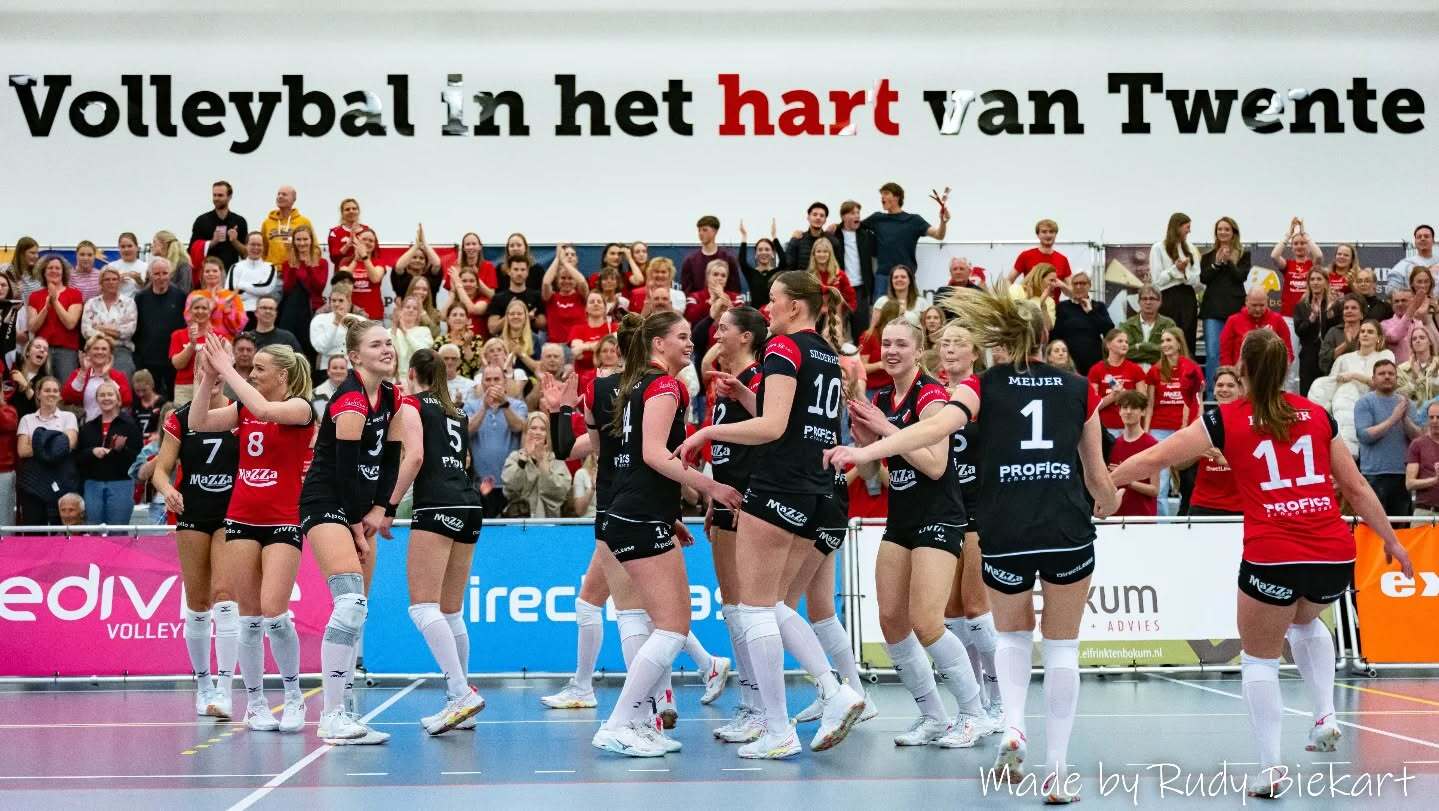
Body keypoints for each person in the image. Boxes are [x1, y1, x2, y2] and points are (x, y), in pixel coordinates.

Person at [823, 285, 1118, 802]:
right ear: (1045, 337)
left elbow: (934, 429)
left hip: (1004, 526)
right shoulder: (1079, 388)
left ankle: (1013, 725)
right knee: (1062, 648)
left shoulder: (983, 385)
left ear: (1002, 337)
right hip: (1065, 525)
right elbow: (1098, 480)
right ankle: (1056, 769)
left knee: (1012, 638)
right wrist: (1111, 498)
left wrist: (866, 450)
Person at [1110, 327, 1412, 797]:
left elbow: (1157, 457)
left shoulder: (1226, 419)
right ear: (1289, 368)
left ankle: (1271, 768)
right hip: (1333, 552)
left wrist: (1106, 483)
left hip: (1273, 554)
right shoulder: (1317, 414)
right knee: (1306, 622)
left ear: (1242, 370)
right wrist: (1392, 540)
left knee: (1259, 660)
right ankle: (1325, 714)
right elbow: (1355, 487)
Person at [675, 271, 867, 760]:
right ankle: (832, 689)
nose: (768, 307)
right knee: (776, 605)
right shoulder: (826, 353)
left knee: (756, 608)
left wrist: (706, 434)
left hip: (779, 481)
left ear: (796, 306)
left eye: (775, 299)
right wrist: (745, 398)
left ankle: (779, 725)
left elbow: (773, 425)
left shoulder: (783, 347)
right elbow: (793, 415)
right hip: (815, 486)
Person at [589, 311, 740, 758]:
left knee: (659, 623)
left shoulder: (635, 386)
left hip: (635, 512)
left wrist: (668, 513)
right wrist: (711, 486)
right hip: (637, 516)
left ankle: (640, 722)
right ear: (658, 344)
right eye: (681, 336)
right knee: (672, 627)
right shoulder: (664, 386)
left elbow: (630, 461)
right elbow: (654, 454)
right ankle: (620, 723)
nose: (690, 343)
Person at [845, 315, 991, 748]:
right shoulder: (882, 397)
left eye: (900, 345)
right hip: (902, 518)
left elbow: (936, 465)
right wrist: (863, 440)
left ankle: (975, 714)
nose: (891, 351)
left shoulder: (931, 394)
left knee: (927, 622)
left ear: (918, 350)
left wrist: (886, 430)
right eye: (886, 344)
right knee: (891, 620)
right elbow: (873, 472)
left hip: (940, 515)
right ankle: (933, 716)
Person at [191, 338, 315, 737]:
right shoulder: (244, 407)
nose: (253, 373)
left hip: (283, 519)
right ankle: (256, 703)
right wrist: (209, 376)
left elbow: (263, 409)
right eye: (251, 368)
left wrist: (228, 369)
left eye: (260, 368)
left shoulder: (300, 408)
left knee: (275, 614)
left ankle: (293, 696)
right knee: (249, 619)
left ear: (283, 374)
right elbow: (198, 422)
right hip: (243, 517)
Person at [295, 314, 400, 744]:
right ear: (355, 357)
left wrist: (380, 509)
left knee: (357, 610)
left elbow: (391, 458)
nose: (387, 349)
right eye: (376, 345)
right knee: (350, 602)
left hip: (359, 507)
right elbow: (344, 471)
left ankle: (346, 707)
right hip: (327, 502)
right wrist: (358, 525)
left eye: (388, 342)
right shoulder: (351, 399)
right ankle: (331, 715)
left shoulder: (391, 395)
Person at [392, 348, 487, 734]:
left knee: (422, 607)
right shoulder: (457, 412)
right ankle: (459, 702)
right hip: (469, 504)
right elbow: (464, 461)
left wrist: (389, 504)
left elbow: (414, 458)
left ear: (412, 373)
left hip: (437, 504)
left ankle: (460, 692)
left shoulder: (412, 405)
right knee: (451, 611)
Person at [151, 384, 238, 718]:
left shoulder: (239, 412)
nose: (211, 376)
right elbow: (160, 470)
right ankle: (203, 685)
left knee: (225, 595)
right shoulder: (181, 417)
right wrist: (167, 490)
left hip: (231, 514)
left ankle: (225, 689)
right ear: (199, 374)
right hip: (192, 512)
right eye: (204, 368)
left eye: (216, 370)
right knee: (198, 602)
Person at [933, 323, 1003, 728]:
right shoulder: (934, 393)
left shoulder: (986, 393)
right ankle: (973, 702)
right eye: (945, 343)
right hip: (945, 508)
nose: (950, 349)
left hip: (980, 508)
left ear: (975, 352)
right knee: (953, 613)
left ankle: (1000, 699)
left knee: (977, 609)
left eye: (959, 343)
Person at [1144, 328, 1204, 514]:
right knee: (1160, 483)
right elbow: (1150, 405)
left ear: (1179, 343)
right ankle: (1162, 525)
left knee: (1186, 482)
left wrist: (1195, 427)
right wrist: (1146, 431)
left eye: (1169, 340)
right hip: (1159, 430)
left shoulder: (1192, 368)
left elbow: (1198, 402)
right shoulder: (1155, 370)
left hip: (1185, 430)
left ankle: (1183, 520)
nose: (1165, 344)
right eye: (1162, 341)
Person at [860, 181, 949, 298]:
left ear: (897, 197)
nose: (882, 197)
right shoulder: (877, 218)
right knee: (881, 309)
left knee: (909, 309)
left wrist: (943, 222)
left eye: (886, 193)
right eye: (881, 194)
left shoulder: (914, 220)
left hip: (906, 276)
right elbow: (854, 226)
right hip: (883, 277)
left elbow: (938, 235)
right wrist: (838, 226)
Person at [1320, 320, 1394, 457]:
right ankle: (1346, 451)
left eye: (1370, 332)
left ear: (1379, 338)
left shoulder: (1385, 355)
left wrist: (1353, 376)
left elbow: (1383, 383)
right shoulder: (1343, 359)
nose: (1365, 334)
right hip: (1345, 409)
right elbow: (1331, 386)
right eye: (1362, 331)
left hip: (1375, 409)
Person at [1354, 360, 1418, 517]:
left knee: (1401, 526)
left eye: (1391, 373)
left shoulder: (1406, 403)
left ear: (1397, 378)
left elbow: (1417, 438)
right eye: (1382, 374)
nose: (1387, 377)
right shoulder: (1364, 402)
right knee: (1374, 526)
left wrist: (1404, 419)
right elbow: (1365, 436)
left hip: (1402, 474)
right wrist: (1393, 419)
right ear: (1373, 379)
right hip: (1374, 475)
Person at [74, 379, 141, 525]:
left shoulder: (130, 426)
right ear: (97, 400)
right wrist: (92, 452)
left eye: (110, 394)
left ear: (118, 399)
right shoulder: (87, 427)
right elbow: (77, 458)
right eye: (102, 395)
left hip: (121, 483)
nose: (106, 398)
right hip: (93, 484)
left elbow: (138, 458)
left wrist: (122, 450)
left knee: (118, 531)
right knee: (94, 530)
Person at [467, 365, 528, 516]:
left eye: (496, 379)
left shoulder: (518, 405)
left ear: (504, 382)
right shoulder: (470, 405)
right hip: (479, 484)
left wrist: (504, 404)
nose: (492, 383)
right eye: (488, 379)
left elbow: (518, 427)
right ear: (482, 383)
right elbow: (467, 430)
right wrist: (484, 407)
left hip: (510, 485)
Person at [16, 377, 78, 524]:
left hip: (61, 478)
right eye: (47, 390)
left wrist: (36, 442)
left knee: (61, 527)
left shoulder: (69, 417)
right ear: (38, 394)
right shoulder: (27, 419)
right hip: (33, 481)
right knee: (34, 526)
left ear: (60, 395)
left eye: (55, 391)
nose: (51, 394)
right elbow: (22, 450)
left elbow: (69, 445)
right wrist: (56, 442)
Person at [1199, 217, 1251, 394]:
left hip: (1235, 310)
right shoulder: (1207, 256)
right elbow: (1204, 278)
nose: (1223, 232)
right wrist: (1217, 264)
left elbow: (1240, 277)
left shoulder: (1244, 254)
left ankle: (1237, 393)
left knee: (1237, 353)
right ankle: (1213, 395)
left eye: (1226, 229)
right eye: (1219, 229)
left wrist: (1229, 262)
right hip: (1212, 310)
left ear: (1233, 232)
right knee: (1213, 353)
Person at [1189, 367, 1244, 516]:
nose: (1224, 389)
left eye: (1230, 385)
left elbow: (1257, 468)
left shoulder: (1251, 422)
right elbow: (1178, 465)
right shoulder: (1202, 423)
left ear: (1241, 390)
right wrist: (1196, 452)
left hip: (1240, 506)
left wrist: (1224, 461)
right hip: (1204, 505)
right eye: (1220, 385)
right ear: (1213, 391)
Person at [24, 255, 83, 383]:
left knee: (66, 388)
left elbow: (70, 323)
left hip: (66, 351)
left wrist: (55, 301)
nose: (54, 271)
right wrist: (46, 308)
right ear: (44, 272)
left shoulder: (74, 294)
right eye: (50, 268)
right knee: (42, 386)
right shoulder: (34, 296)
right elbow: (32, 327)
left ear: (63, 272)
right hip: (42, 350)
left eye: (57, 268)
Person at [502, 413, 572, 518]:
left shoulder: (556, 460)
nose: (538, 432)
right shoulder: (515, 457)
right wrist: (523, 460)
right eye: (533, 428)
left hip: (548, 520)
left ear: (547, 434)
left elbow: (560, 493)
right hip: (519, 520)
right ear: (526, 431)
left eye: (543, 429)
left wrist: (543, 463)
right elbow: (510, 489)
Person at [1151, 213, 1203, 355]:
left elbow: (1197, 279)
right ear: (1177, 227)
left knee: (1188, 337)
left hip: (1188, 297)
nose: (1189, 231)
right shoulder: (1158, 248)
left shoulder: (1191, 249)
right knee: (1169, 337)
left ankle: (1187, 365)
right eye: (1187, 227)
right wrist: (1175, 269)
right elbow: (1157, 281)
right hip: (1167, 298)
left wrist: (1184, 273)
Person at [1049, 272, 1112, 375]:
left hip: (1094, 362)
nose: (1078, 286)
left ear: (1089, 285)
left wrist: (1091, 312)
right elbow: (1055, 335)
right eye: (1075, 284)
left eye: (1082, 283)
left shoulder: (1098, 306)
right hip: (1069, 363)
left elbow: (1109, 330)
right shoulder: (1062, 307)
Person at [1089, 329, 1149, 438]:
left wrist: (1125, 394)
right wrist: (1113, 396)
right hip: (1106, 427)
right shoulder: (1096, 370)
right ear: (1108, 345)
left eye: (1126, 342)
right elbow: (1092, 406)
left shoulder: (1135, 369)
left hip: (1131, 426)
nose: (1124, 344)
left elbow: (1143, 401)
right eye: (1120, 341)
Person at [81, 267, 138, 376]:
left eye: (114, 279)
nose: (111, 282)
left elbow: (128, 331)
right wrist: (112, 332)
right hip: (95, 349)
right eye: (107, 279)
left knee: (122, 378)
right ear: (101, 283)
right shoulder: (91, 303)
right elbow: (86, 331)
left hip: (120, 350)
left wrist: (100, 328)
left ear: (119, 282)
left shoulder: (129, 303)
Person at [1109, 390, 1159, 517]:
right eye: (1125, 407)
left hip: (1142, 517)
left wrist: (1128, 482)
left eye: (1134, 408)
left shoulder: (1152, 445)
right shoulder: (1112, 444)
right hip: (1115, 517)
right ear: (1119, 411)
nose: (1128, 411)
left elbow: (1154, 490)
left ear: (1143, 412)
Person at [1294, 268, 1342, 396]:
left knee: (1329, 391)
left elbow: (1338, 329)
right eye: (1312, 279)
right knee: (1307, 391)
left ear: (1326, 282)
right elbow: (1299, 332)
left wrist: (1330, 315)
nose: (1315, 282)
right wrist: (1312, 317)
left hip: (1329, 353)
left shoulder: (1335, 304)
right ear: (1308, 283)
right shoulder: (1302, 305)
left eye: (1319, 279)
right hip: (1309, 354)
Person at [63, 335, 134, 421]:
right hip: (88, 424)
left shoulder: (118, 376)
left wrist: (107, 377)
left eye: (104, 349)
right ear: (88, 352)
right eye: (96, 349)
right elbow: (67, 398)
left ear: (110, 354)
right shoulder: (79, 373)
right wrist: (83, 372)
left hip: (114, 424)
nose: (100, 352)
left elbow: (126, 400)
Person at [1220, 287, 1294, 369]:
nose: (1258, 309)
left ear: (1267, 302)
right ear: (1246, 302)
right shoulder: (1233, 321)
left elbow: (1288, 351)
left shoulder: (1278, 320)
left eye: (1262, 305)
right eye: (1254, 305)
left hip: (1270, 372)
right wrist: (1230, 372)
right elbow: (1225, 353)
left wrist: (1279, 370)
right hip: (1240, 372)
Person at [834, 201, 877, 337]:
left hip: (860, 290)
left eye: (858, 213)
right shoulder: (834, 235)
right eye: (852, 213)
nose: (857, 215)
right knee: (837, 331)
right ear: (843, 216)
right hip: (840, 289)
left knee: (861, 332)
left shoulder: (866, 235)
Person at [189, 180, 249, 271]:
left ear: (229, 197)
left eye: (220, 195)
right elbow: (191, 251)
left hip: (231, 273)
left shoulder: (240, 221)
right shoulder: (202, 221)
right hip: (209, 273)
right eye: (214, 195)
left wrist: (235, 241)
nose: (216, 198)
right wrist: (212, 242)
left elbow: (246, 255)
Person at [1272, 217, 1324, 319]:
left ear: (1308, 246)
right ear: (1292, 248)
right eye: (1295, 244)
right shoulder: (1287, 264)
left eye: (1303, 243)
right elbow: (1274, 256)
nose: (1299, 246)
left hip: (1309, 314)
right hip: (1288, 315)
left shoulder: (1312, 265)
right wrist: (1288, 235)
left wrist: (1305, 235)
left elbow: (1318, 256)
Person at [170, 296, 216, 406]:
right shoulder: (178, 335)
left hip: (210, 386)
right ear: (190, 311)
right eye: (196, 308)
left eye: (204, 308)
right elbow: (177, 365)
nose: (200, 311)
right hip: (185, 388)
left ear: (209, 312)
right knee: (184, 417)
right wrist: (192, 345)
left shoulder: (217, 336)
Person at [1384, 274, 1439, 365]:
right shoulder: (1385, 324)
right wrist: (1411, 311)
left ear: (1412, 302)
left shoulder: (1420, 323)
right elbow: (1394, 336)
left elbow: (1436, 343)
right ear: (1392, 305)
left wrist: (1427, 317)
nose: (1400, 304)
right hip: (1398, 371)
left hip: (1422, 370)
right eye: (1396, 301)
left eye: (1404, 300)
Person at [227, 232, 280, 325]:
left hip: (263, 316)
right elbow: (230, 292)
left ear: (264, 247)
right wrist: (257, 289)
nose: (256, 248)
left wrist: (241, 286)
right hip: (240, 315)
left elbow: (266, 289)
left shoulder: (270, 267)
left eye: (259, 245)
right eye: (252, 244)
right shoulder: (235, 267)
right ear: (246, 246)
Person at [541, 245, 590, 345]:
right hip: (555, 347)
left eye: (570, 278)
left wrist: (564, 262)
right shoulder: (551, 297)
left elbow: (582, 282)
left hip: (577, 345)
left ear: (575, 280)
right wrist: (557, 258)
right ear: (557, 280)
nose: (566, 281)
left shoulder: (581, 296)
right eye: (563, 278)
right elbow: (546, 283)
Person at [680, 215, 741, 295]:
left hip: (724, 301)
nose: (700, 233)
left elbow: (735, 289)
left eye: (705, 230)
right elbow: (686, 291)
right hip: (697, 302)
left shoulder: (728, 259)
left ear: (715, 231)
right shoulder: (690, 260)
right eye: (699, 230)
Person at [1009, 218, 1071, 294]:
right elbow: (1009, 281)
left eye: (1051, 232)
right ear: (1038, 235)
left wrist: (1062, 285)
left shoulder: (1062, 260)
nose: (1048, 235)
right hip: (1029, 301)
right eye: (1044, 232)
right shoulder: (1026, 256)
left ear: (1055, 235)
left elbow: (1072, 292)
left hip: (1053, 302)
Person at [340, 228, 390, 321]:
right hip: (350, 315)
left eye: (371, 241)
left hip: (373, 316)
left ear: (374, 245)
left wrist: (364, 257)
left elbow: (375, 279)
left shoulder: (379, 262)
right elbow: (343, 280)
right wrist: (355, 260)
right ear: (357, 241)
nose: (367, 242)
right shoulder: (345, 261)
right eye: (364, 239)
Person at [190, 256, 246, 339]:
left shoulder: (233, 296)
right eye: (207, 271)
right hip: (200, 341)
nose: (211, 274)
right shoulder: (194, 295)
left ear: (221, 273)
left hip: (226, 342)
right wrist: (210, 308)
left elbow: (239, 328)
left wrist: (228, 312)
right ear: (202, 274)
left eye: (215, 271)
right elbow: (189, 322)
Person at [736, 219, 787, 309]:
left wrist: (774, 236)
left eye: (767, 249)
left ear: (772, 254)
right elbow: (742, 261)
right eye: (760, 250)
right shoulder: (751, 273)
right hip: (755, 314)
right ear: (755, 254)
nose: (763, 252)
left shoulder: (777, 273)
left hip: (774, 313)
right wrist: (744, 236)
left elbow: (784, 260)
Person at [488, 255, 545, 336]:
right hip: (505, 341)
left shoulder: (536, 296)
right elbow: (492, 329)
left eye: (523, 270)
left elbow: (543, 325)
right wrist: (512, 316)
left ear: (527, 272)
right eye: (515, 269)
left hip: (530, 340)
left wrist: (530, 319)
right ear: (508, 271)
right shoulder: (498, 298)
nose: (519, 273)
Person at [1119, 285, 1175, 365]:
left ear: (1160, 302)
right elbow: (1125, 352)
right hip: (1133, 369)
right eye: (1144, 299)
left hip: (1160, 369)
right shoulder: (1127, 325)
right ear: (1139, 302)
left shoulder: (1168, 324)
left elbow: (1171, 350)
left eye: (1152, 298)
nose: (1148, 302)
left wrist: (1143, 346)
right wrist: (1156, 352)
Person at [259, 185, 312, 267]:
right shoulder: (267, 223)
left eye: (284, 194)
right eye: (278, 194)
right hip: (272, 269)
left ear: (294, 199)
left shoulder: (304, 222)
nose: (280, 196)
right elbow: (263, 249)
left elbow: (314, 247)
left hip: (295, 268)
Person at [1318, 294, 1367, 379]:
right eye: (1346, 308)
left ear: (1361, 315)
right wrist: (1346, 344)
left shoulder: (1368, 331)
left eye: (1354, 308)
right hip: (1337, 378)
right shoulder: (1333, 332)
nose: (1349, 311)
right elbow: (1323, 361)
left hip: (1363, 377)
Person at [1405, 401, 1439, 517]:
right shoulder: (1418, 445)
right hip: (1425, 512)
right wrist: (1435, 480)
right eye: (1431, 417)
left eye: (1438, 417)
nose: (1434, 421)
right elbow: (1409, 483)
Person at [785, 203, 838, 275]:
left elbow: (838, 267)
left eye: (822, 215)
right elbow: (788, 266)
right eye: (815, 214)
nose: (818, 218)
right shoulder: (798, 240)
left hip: (826, 281)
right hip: (802, 280)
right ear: (808, 217)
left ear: (825, 220)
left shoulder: (833, 241)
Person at [1397, 328, 1439, 417]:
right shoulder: (1402, 369)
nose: (1418, 340)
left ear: (1430, 342)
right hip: (1413, 417)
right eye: (1414, 339)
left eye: (1422, 337)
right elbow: (1397, 396)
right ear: (1411, 344)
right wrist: (1413, 380)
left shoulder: (1437, 366)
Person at [1387, 224, 1438, 297]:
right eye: (1419, 237)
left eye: (1426, 236)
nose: (1422, 239)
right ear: (1415, 242)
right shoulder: (1404, 265)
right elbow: (1391, 291)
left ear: (1433, 241)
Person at [311, 287, 354, 371]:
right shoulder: (319, 320)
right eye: (333, 300)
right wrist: (335, 323)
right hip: (326, 368)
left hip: (351, 368)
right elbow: (321, 348)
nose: (337, 304)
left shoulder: (359, 320)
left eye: (341, 300)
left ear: (349, 302)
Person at [7, 338, 51, 419]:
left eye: (45, 349)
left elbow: (43, 408)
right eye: (37, 347)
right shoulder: (14, 364)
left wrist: (26, 386)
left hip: (27, 423)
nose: (42, 350)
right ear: (27, 352)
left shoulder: (46, 380)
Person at [391, 297, 433, 379]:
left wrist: (404, 331)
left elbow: (421, 353)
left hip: (418, 378)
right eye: (407, 307)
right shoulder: (391, 331)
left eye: (415, 308)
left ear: (418, 313)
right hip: (394, 378)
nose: (411, 310)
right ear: (401, 310)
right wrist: (394, 328)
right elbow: (391, 353)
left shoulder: (424, 331)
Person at [1008, 262, 1059, 329]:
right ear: (1039, 278)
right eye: (1051, 280)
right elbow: (1011, 317)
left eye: (1055, 281)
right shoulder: (1017, 289)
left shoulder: (1050, 301)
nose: (1055, 285)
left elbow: (1048, 328)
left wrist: (1043, 304)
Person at [327, 198, 370, 268]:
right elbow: (334, 258)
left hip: (363, 271)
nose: (351, 211)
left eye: (354, 208)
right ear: (342, 213)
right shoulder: (335, 232)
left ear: (358, 211)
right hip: (343, 272)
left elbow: (375, 254)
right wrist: (348, 244)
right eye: (347, 209)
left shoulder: (367, 230)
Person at [150, 230, 193, 296]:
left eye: (154, 242)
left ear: (163, 245)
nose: (151, 245)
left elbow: (184, 290)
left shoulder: (183, 264)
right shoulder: (156, 264)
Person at [107, 231, 149, 298]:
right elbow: (104, 290)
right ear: (119, 248)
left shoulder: (146, 266)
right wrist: (116, 281)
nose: (126, 249)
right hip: (117, 303)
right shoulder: (111, 267)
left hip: (138, 303)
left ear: (136, 247)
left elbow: (150, 292)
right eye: (123, 247)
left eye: (130, 246)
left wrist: (139, 281)